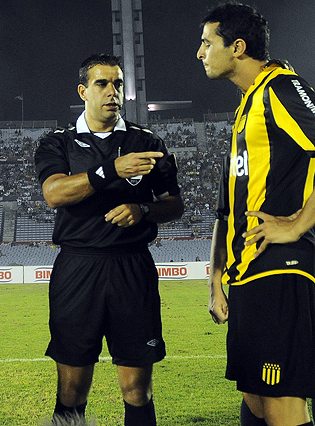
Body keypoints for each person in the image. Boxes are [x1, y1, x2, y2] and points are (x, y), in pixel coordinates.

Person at [34, 54, 184, 425]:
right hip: (77, 267)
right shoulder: (57, 143)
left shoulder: (147, 141)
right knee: (71, 389)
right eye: (102, 84)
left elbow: (174, 204)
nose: (112, 92)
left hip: (132, 266)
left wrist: (144, 211)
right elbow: (54, 193)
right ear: (83, 90)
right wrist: (111, 170)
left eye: (117, 83)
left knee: (137, 389)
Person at [199, 3, 315, 426]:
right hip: (246, 273)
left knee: (281, 401)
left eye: (208, 42)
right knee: (254, 396)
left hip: (279, 271)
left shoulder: (280, 88)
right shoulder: (247, 107)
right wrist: (216, 279)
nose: (200, 52)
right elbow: (226, 208)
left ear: (238, 47)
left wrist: (299, 223)